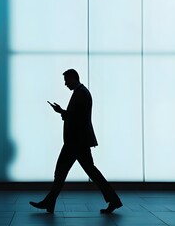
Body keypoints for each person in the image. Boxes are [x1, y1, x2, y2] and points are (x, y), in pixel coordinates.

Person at [29, 69, 122, 214]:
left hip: (76, 142)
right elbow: (78, 116)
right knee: (82, 171)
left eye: (66, 80)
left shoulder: (81, 93)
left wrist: (62, 112)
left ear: (73, 78)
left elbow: (77, 118)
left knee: (65, 172)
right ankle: (49, 202)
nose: (65, 84)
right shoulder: (81, 92)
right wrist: (63, 112)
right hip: (77, 142)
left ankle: (49, 203)